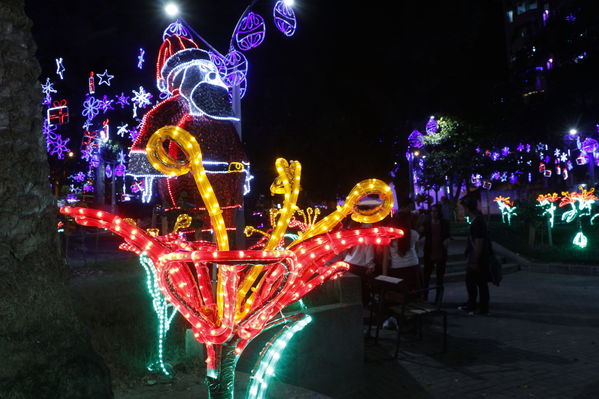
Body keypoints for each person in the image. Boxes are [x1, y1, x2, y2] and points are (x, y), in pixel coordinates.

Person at [459, 196, 490, 315]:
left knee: (478, 283)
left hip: (479, 259)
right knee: (474, 282)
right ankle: (473, 305)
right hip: (477, 257)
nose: (462, 211)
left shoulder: (478, 222)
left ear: (468, 209)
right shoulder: (477, 220)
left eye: (463, 208)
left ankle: (481, 308)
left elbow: (479, 242)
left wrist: (475, 261)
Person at [382, 212, 422, 293]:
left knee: (400, 295)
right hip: (413, 265)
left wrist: (384, 275)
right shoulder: (414, 233)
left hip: (398, 268)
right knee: (414, 293)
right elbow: (417, 251)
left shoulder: (390, 236)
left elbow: (385, 258)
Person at [421, 204, 450, 302]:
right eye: (432, 211)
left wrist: (447, 240)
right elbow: (422, 234)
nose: (433, 213)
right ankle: (425, 297)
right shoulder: (427, 223)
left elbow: (448, 235)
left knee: (439, 277)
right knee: (426, 277)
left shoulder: (444, 223)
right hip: (430, 252)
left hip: (440, 251)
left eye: (435, 211)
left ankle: (438, 299)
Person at [343, 222, 376, 306]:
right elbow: (369, 250)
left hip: (347, 264)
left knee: (350, 294)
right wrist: (371, 265)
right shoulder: (368, 230)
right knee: (361, 295)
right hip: (359, 268)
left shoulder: (351, 227)